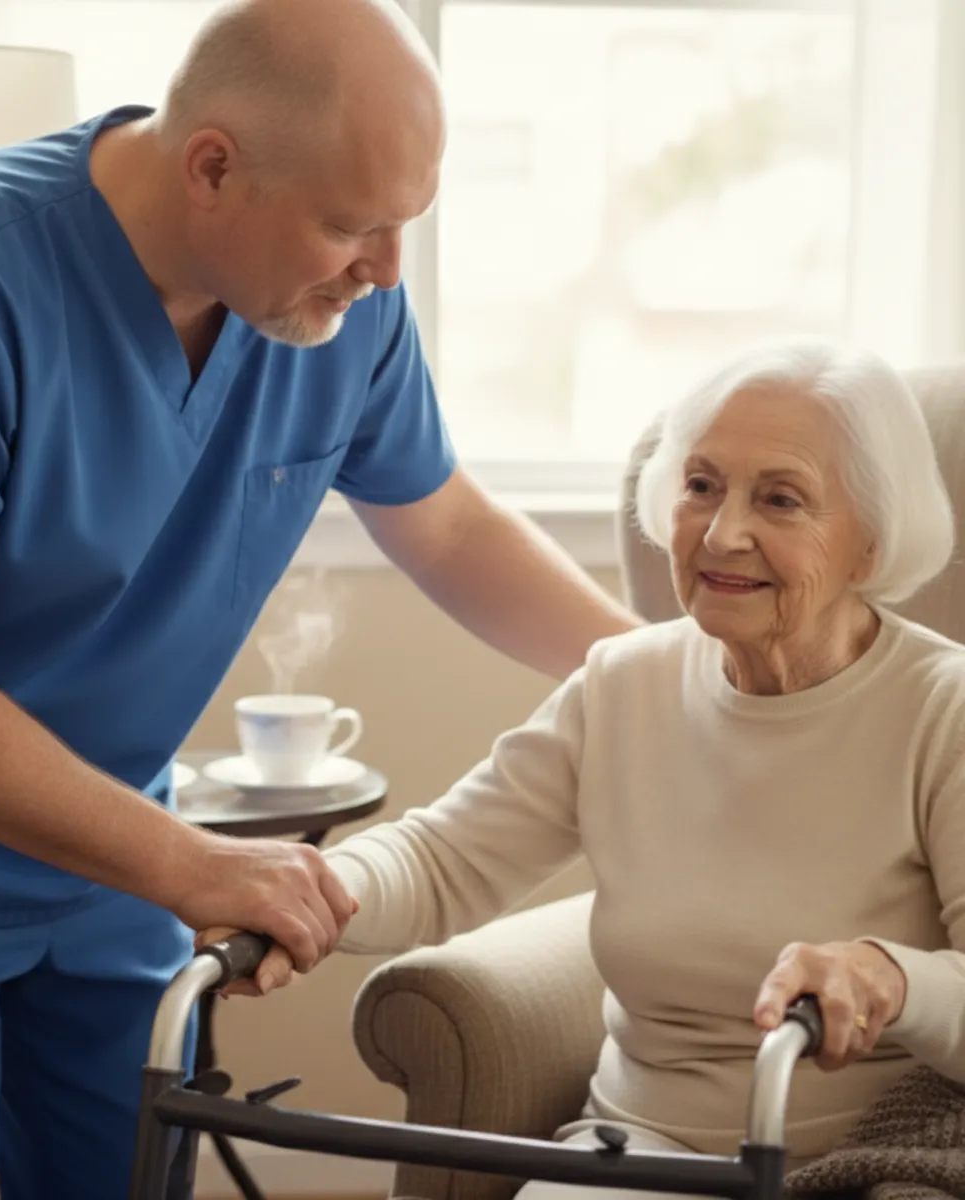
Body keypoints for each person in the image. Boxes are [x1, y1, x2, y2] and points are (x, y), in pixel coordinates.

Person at [0, 0, 642, 1197]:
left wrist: (664, 672)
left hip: (112, 866)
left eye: (402, 228)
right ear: (214, 166)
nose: (385, 272)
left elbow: (446, 527)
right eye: (350, 226)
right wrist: (195, 867)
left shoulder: (345, 309)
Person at [220, 340, 965, 1197]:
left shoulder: (942, 710)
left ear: (870, 544)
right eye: (700, 486)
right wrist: (300, 885)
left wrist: (894, 977)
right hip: (641, 1151)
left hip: (870, 1155)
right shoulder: (623, 683)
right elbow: (443, 861)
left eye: (781, 499)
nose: (723, 533)